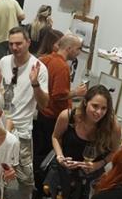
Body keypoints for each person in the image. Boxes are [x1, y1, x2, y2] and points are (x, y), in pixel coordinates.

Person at [48, 85, 122, 199]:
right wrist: (60, 156)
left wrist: (98, 164)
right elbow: (55, 137)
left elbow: (115, 151)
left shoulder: (112, 127)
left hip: (90, 178)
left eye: (104, 108)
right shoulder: (68, 116)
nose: (98, 112)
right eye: (95, 106)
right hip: (63, 172)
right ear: (85, 102)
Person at [0, 26, 48, 199]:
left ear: (28, 42)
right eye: (11, 44)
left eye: (19, 43)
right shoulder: (4, 61)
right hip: (0, 128)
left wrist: (35, 83)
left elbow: (44, 104)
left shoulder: (39, 68)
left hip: (22, 132)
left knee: (24, 179)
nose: (14, 47)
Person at [34, 35, 88, 170]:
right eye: (78, 49)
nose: (79, 52)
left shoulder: (45, 59)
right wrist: (76, 92)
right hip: (53, 116)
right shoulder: (62, 67)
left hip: (42, 112)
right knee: (48, 153)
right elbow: (58, 95)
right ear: (69, 48)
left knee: (39, 150)